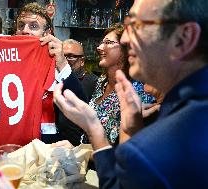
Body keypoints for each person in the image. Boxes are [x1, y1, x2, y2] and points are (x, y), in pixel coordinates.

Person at [53, 0, 208, 188]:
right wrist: (131, 129)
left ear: (184, 37)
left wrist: (95, 129)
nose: (126, 39)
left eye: (137, 25)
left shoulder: (162, 145)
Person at [0, 3, 86, 147]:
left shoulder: (54, 61)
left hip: (44, 150)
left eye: (33, 26)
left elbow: (81, 105)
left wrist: (62, 64)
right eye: (21, 25)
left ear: (48, 33)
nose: (25, 31)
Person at [89, 24, 156, 145]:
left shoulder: (137, 90)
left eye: (108, 42)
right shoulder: (101, 82)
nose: (99, 47)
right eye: (101, 42)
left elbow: (129, 143)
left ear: (125, 49)